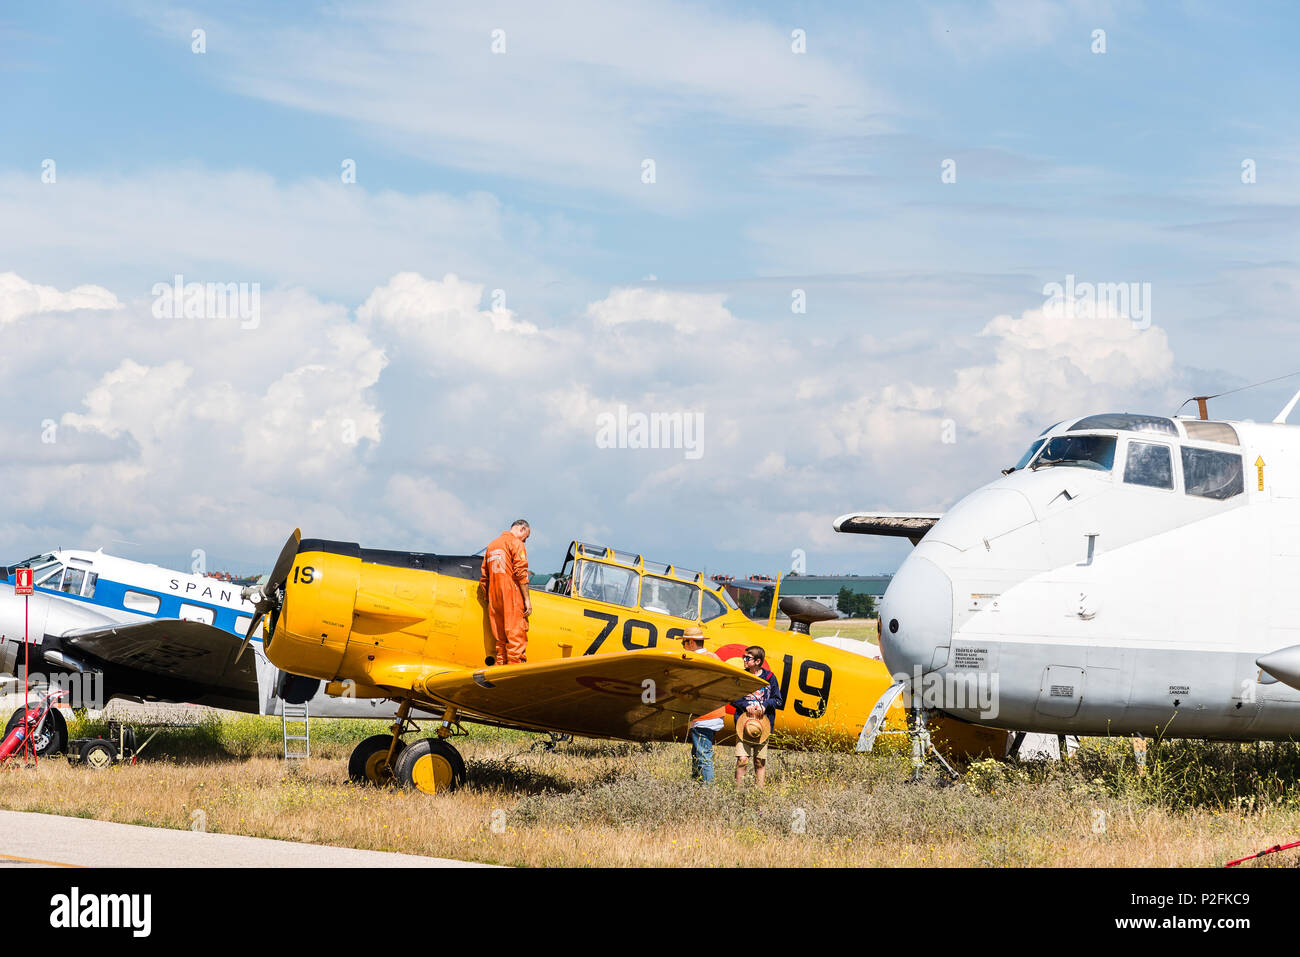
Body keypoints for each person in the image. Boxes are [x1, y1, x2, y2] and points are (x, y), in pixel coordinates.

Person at [478, 520, 531, 665]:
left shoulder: (492, 545)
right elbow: (521, 572)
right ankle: (515, 679)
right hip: (511, 596)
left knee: (500, 645)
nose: (524, 542)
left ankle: (500, 674)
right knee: (515, 643)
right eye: (525, 537)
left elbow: (484, 578)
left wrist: (488, 599)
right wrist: (527, 600)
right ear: (521, 528)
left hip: (494, 599)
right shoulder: (516, 543)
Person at [732, 645, 783, 787]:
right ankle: (738, 791)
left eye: (747, 658)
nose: (744, 660)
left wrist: (764, 705)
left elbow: (778, 700)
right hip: (743, 725)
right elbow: (733, 697)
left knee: (760, 761)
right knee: (742, 759)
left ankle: (759, 792)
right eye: (744, 657)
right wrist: (744, 705)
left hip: (762, 725)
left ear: (757, 661)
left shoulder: (770, 678)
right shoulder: (742, 676)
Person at [678, 626, 723, 783]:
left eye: (683, 642)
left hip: (704, 714)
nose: (683, 646)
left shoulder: (695, 659)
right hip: (712, 713)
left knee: (703, 755)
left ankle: (707, 793)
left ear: (690, 642)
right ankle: (698, 786)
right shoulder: (713, 657)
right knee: (698, 754)